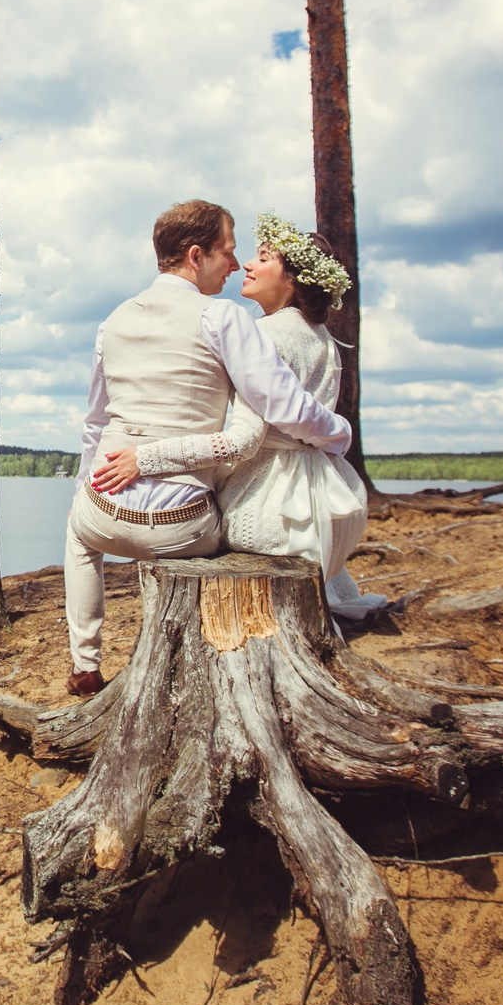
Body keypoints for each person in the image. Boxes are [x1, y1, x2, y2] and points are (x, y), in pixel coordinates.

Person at [62, 200, 353, 697]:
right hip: (181, 529)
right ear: (196, 256)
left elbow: (94, 420)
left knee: (78, 537)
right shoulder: (223, 317)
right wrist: (339, 434)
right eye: (228, 252)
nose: (236, 265)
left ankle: (85, 663)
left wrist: (91, 481)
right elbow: (280, 405)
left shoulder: (112, 320)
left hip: (103, 509)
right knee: (239, 525)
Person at [90, 212, 390, 629]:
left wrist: (145, 459)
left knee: (193, 531)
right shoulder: (323, 337)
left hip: (276, 502)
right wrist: (339, 435)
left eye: (263, 258)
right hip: (329, 491)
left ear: (293, 279)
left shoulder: (262, 334)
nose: (246, 264)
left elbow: (249, 437)